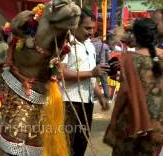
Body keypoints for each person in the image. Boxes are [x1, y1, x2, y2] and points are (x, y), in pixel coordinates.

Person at [104, 18, 163, 156]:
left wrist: (113, 120)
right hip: (158, 123)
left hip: (133, 122)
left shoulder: (129, 58)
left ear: (135, 36)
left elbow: (124, 92)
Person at [60, 8, 109, 156]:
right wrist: (91, 73)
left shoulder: (89, 45)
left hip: (87, 103)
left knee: (82, 143)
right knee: (67, 144)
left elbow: (92, 77)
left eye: (93, 28)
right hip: (69, 103)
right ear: (75, 25)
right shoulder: (65, 43)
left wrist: (100, 97)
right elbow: (61, 72)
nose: (91, 32)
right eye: (87, 28)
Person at [91, 34, 111, 100]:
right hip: (103, 66)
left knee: (95, 82)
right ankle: (107, 97)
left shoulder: (91, 45)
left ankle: (95, 96)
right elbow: (108, 58)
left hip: (94, 67)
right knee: (104, 82)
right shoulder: (105, 46)